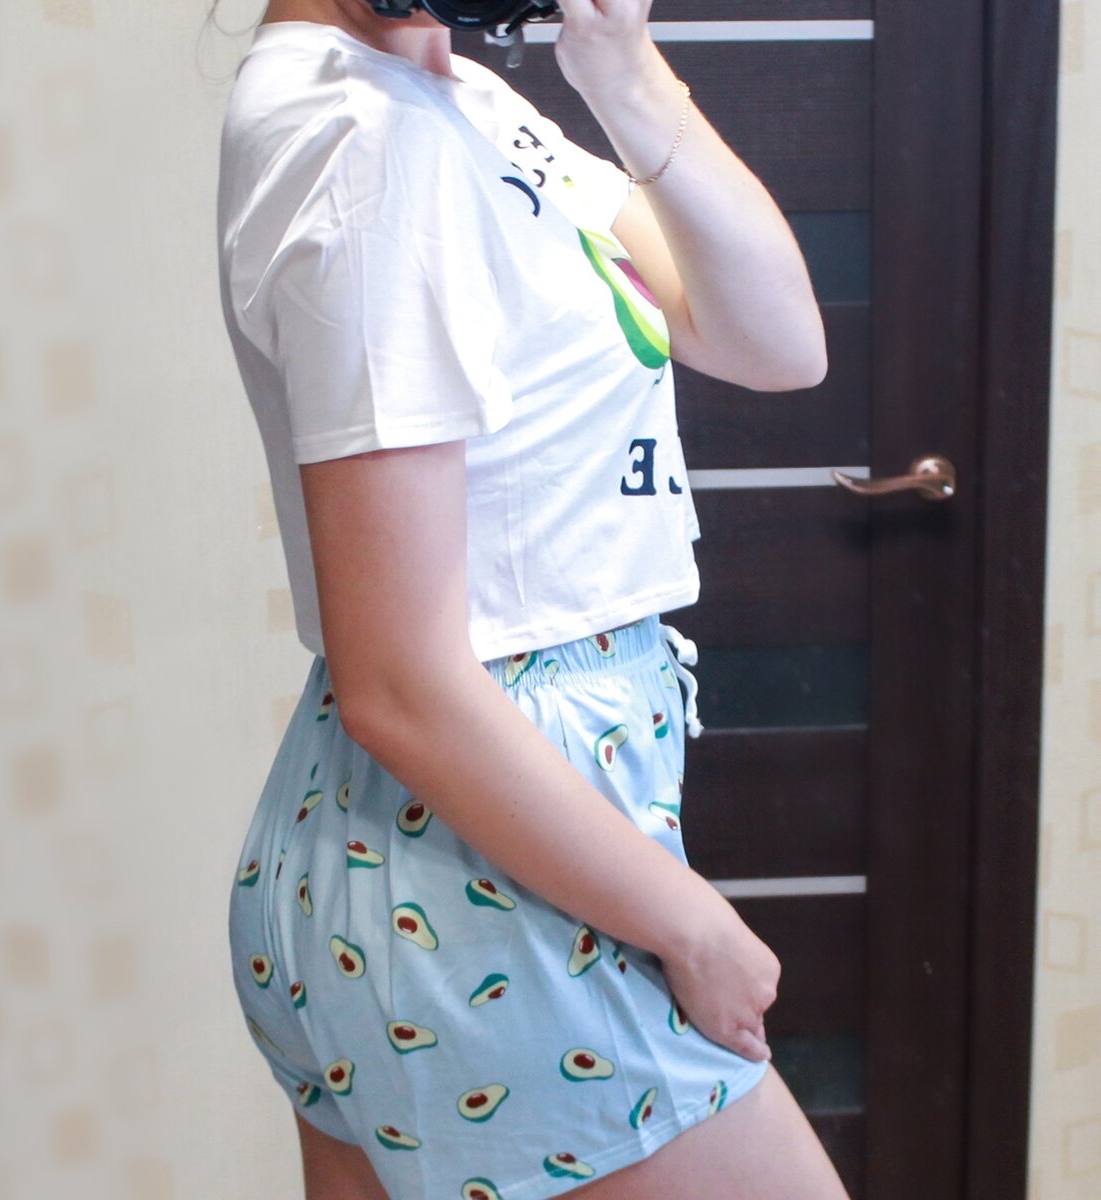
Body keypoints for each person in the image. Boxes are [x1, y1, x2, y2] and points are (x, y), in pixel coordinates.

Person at [216, 0, 850, 1196]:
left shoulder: (449, 95)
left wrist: (622, 65)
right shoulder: (364, 144)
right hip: (479, 867)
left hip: (434, 847)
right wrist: (695, 927)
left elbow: (776, 341)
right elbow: (399, 682)